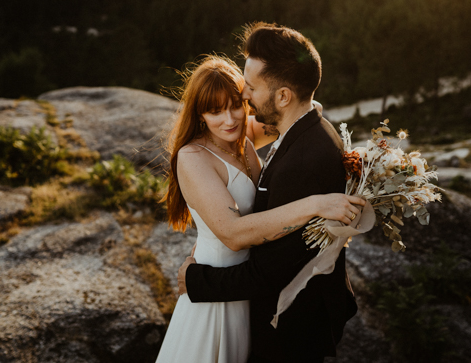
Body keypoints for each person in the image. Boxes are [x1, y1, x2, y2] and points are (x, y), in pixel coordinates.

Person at [155, 55, 363, 363]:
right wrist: (316, 204)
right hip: (216, 285)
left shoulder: (242, 139)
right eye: (215, 111)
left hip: (248, 287)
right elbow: (234, 234)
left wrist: (354, 157)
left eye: (235, 105)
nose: (229, 119)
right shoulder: (193, 156)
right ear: (199, 114)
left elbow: (297, 116)